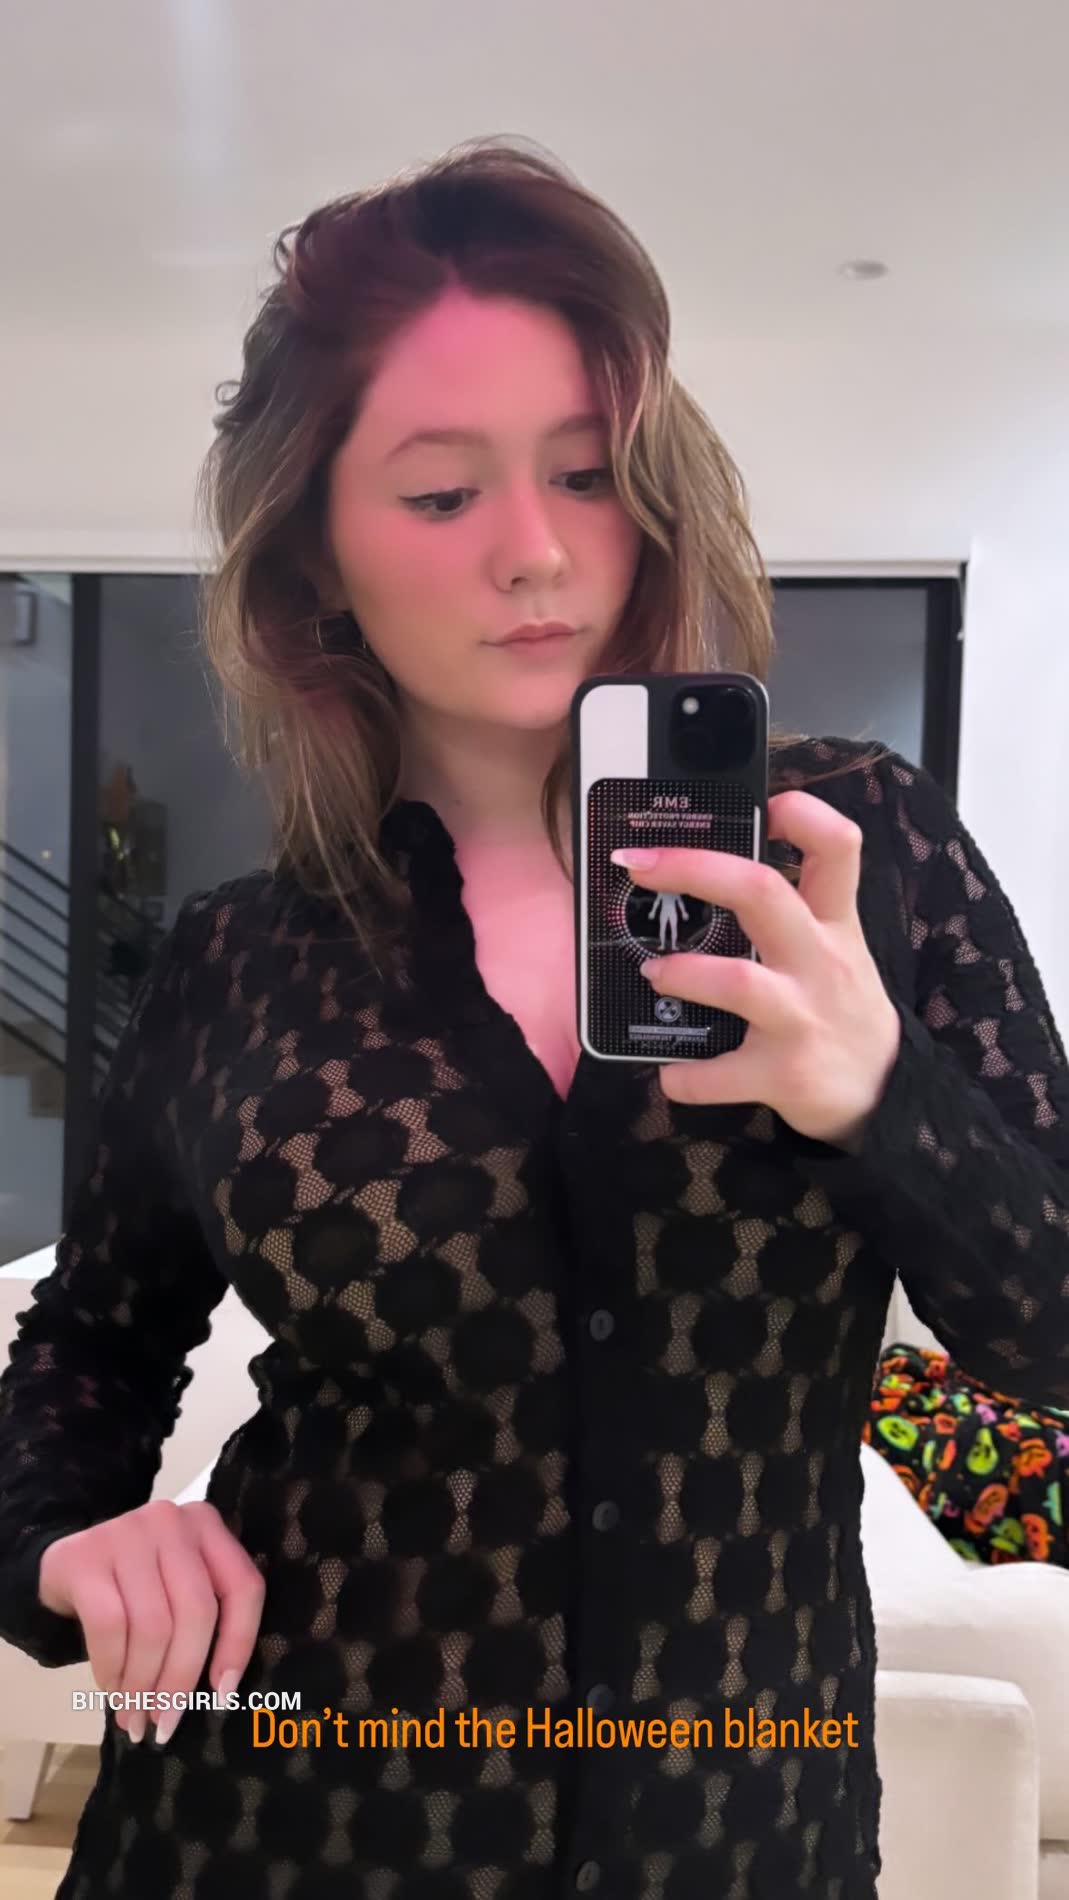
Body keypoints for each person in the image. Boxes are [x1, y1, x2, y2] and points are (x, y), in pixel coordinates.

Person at [1, 134, 1067, 1900]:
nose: (536, 551)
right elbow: (90, 1348)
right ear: (316, 557)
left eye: (587, 473)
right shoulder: (240, 958)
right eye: (439, 496)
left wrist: (876, 1094)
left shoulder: (857, 852)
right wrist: (61, 1542)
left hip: (740, 1837)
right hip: (277, 1825)